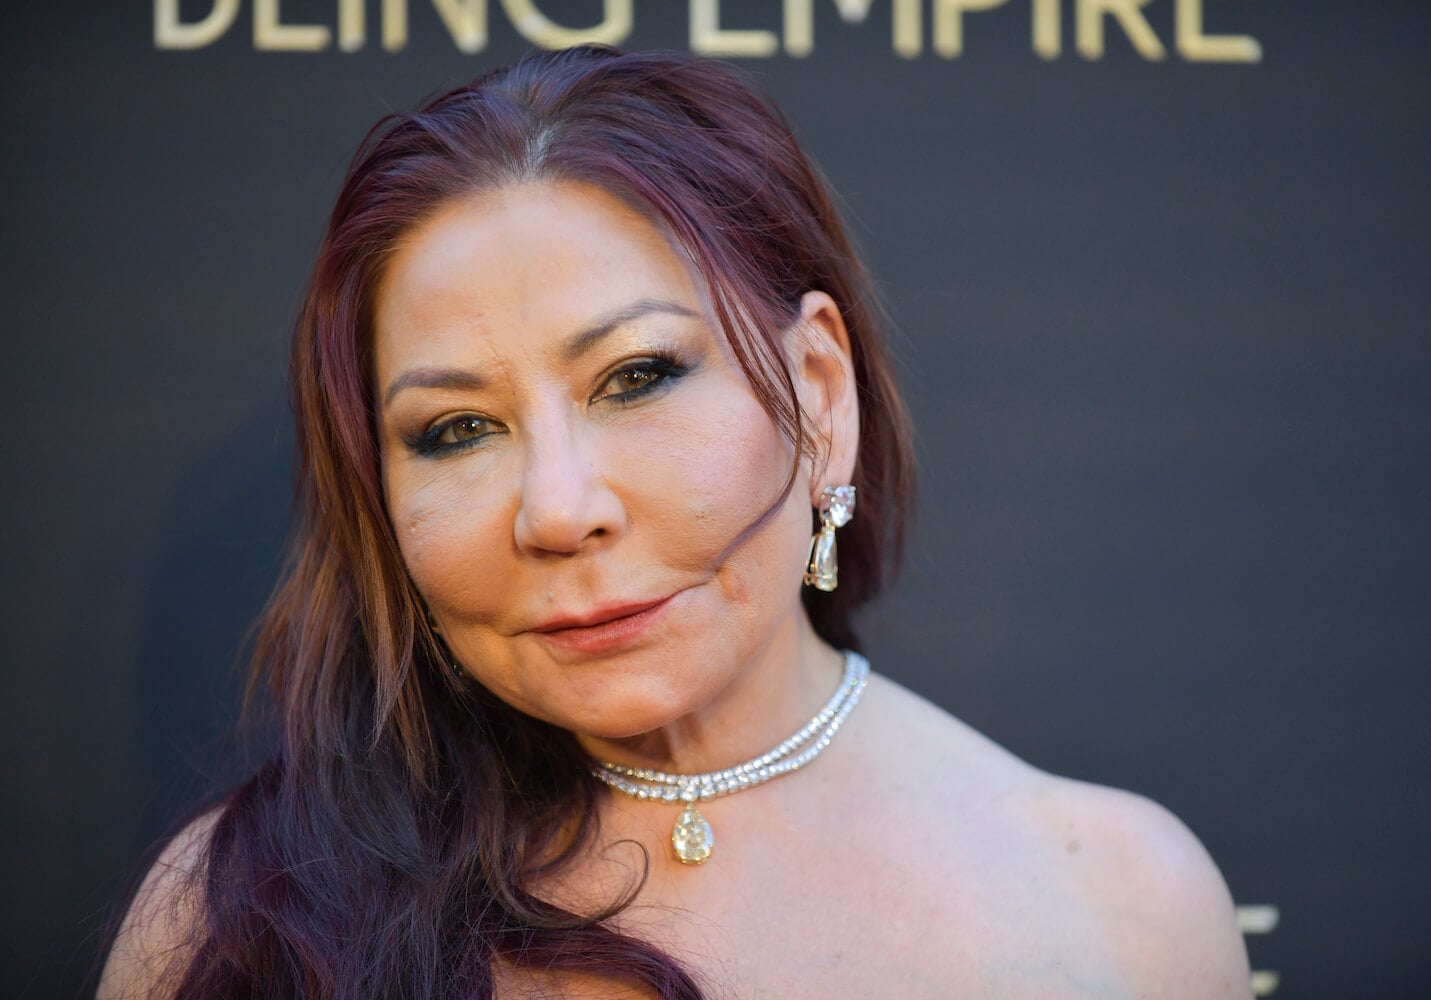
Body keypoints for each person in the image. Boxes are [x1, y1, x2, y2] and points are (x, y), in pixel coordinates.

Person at [100, 46, 1251, 999]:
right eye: (457, 430)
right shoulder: (237, 920)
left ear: (820, 393)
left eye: (637, 376)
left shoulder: (1121, 905)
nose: (559, 509)